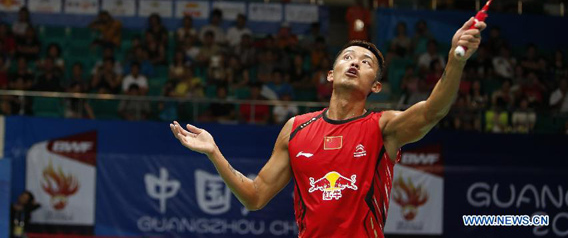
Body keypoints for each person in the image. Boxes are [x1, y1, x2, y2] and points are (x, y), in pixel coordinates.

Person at [171, 17, 486, 238]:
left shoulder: (384, 127)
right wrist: (214, 153)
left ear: (375, 86)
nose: (354, 62)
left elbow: (434, 110)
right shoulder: (296, 129)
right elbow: (255, 197)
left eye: (366, 63)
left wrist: (455, 60)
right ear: (330, 74)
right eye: (347, 57)